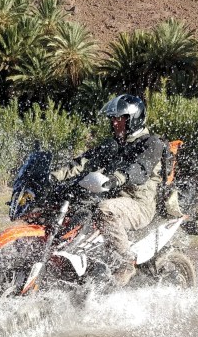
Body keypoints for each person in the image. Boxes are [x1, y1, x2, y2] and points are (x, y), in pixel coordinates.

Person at [50, 94, 166, 286]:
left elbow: (140, 168)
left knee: (105, 210)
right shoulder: (114, 144)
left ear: (133, 119)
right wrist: (53, 177)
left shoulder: (151, 143)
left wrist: (118, 177)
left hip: (139, 205)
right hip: (114, 199)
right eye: (113, 118)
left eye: (119, 118)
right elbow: (82, 163)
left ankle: (126, 262)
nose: (114, 123)